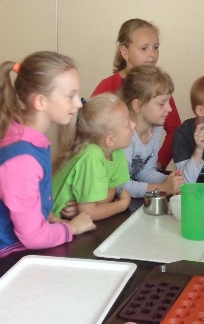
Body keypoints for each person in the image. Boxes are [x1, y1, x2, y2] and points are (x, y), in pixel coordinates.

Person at [0, 51, 96, 279]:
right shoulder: (22, 159)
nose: (78, 103)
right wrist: (72, 228)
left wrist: (46, 217)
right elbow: (33, 237)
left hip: (16, 255)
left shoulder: (28, 136)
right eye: (70, 96)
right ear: (40, 101)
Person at [92, 19, 181, 169]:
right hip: (110, 174)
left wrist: (159, 163)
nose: (152, 54)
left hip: (143, 174)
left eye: (156, 47)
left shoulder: (158, 87)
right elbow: (91, 132)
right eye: (144, 48)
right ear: (125, 52)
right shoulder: (107, 86)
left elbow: (175, 129)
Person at [51, 93, 133, 220]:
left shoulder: (116, 151)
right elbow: (89, 213)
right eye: (127, 124)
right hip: (52, 222)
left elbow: (110, 189)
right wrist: (122, 204)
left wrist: (83, 208)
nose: (133, 124)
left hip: (72, 221)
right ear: (110, 140)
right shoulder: (91, 156)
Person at [118, 65, 184, 198]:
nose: (170, 109)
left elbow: (145, 171)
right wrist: (162, 187)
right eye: (162, 104)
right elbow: (120, 186)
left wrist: (171, 181)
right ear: (138, 106)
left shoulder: (155, 127)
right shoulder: (123, 135)